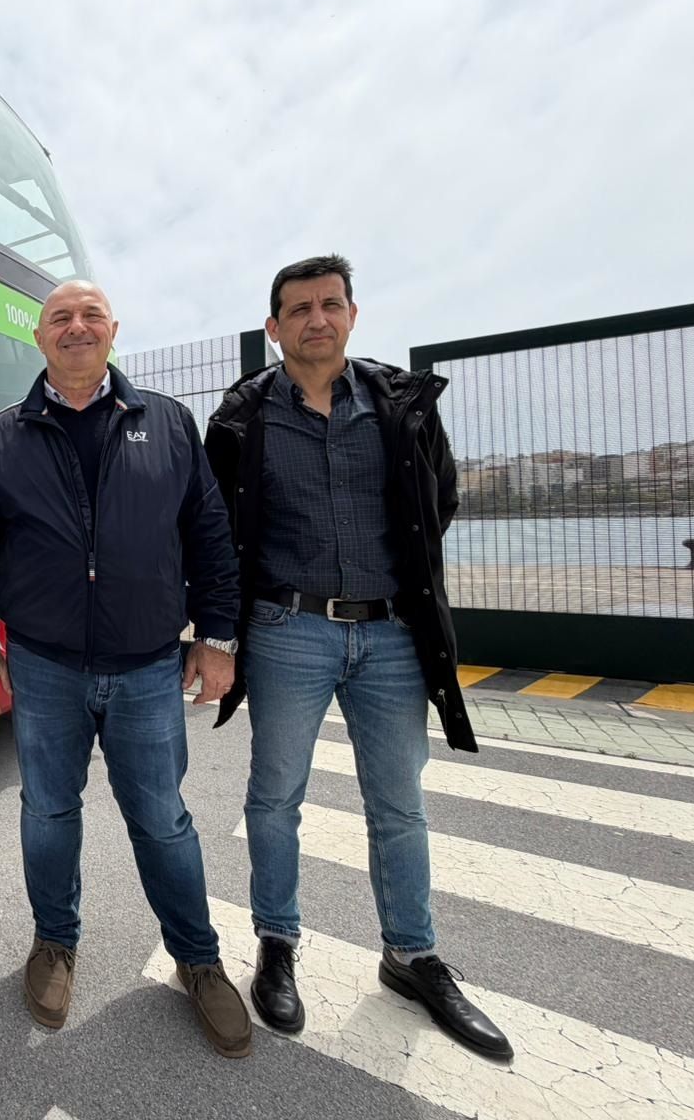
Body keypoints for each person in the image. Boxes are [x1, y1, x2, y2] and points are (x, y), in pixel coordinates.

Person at [204, 254, 512, 1059]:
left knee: (399, 803)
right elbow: (215, 529)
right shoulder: (243, 418)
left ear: (352, 314)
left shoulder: (398, 404)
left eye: (329, 304)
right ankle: (277, 944)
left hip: (390, 635)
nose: (316, 319)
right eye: (298, 308)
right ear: (274, 327)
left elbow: (435, 498)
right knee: (274, 800)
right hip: (287, 629)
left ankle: (411, 955)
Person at [0, 280, 252, 1057]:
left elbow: (211, 534)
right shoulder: (1, 437)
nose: (76, 327)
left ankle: (199, 958)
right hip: (46, 665)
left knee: (161, 818)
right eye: (61, 317)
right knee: (49, 814)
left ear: (113, 331)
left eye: (91, 316)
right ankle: (54, 944)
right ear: (39, 337)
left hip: (149, 665)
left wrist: (218, 635)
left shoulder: (169, 423)